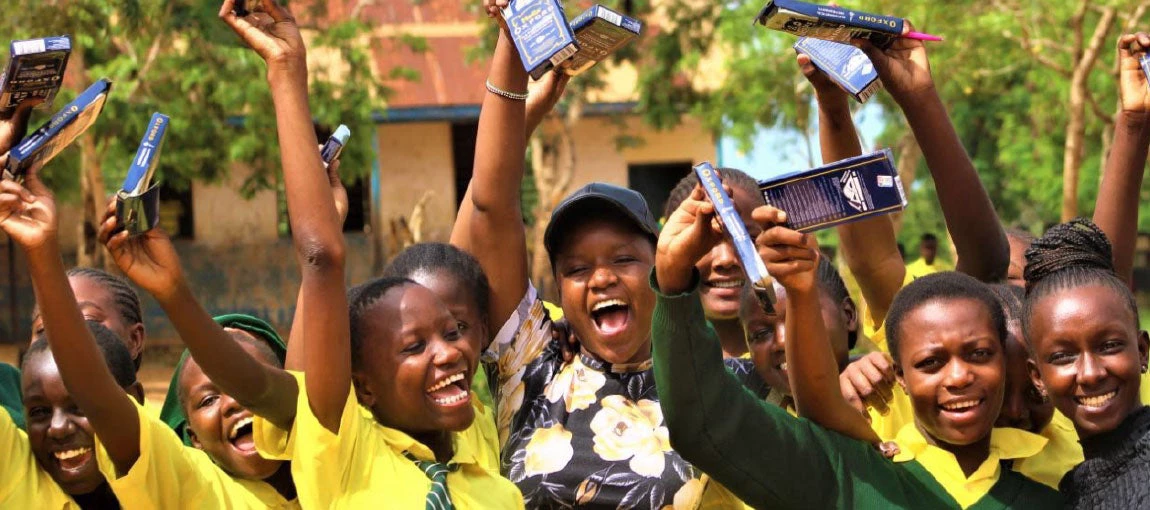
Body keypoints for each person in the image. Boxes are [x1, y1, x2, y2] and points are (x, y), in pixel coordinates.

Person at [466, 0, 729, 505]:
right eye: (577, 268)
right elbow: (491, 204)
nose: (601, 278)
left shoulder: (715, 382)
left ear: (660, 267)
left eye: (624, 260)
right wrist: (510, 49)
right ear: (559, 288)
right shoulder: (531, 365)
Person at [650, 188, 1061, 507]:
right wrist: (672, 282)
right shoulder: (852, 475)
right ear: (899, 375)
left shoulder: (1057, 497)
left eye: (979, 354)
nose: (958, 376)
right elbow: (706, 423)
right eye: (931, 362)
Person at [1024, 218, 1150, 508]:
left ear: (1142, 350)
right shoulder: (1076, 489)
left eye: (1109, 346)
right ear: (1037, 377)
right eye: (1063, 356)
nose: (1091, 374)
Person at [662, 169, 764, 359]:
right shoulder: (648, 364)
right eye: (702, 242)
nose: (725, 260)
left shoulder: (795, 357)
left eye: (745, 238)